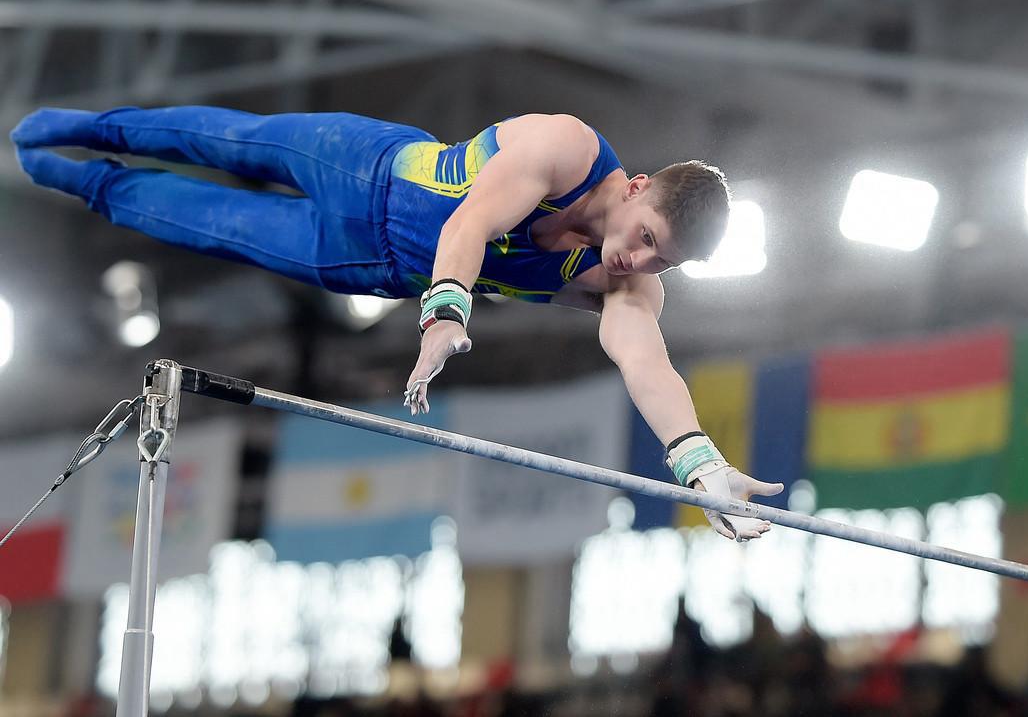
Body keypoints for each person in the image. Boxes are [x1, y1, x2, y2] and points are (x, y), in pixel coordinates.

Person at [11, 105, 782, 540]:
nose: (639, 262)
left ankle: (76, 179)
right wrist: (447, 312)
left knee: (211, 225)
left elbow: (646, 364)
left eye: (663, 263)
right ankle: (90, 126)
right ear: (638, 186)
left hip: (370, 265)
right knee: (230, 144)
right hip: (364, 166)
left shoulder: (628, 292)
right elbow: (471, 223)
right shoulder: (568, 149)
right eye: (646, 236)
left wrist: (701, 465)